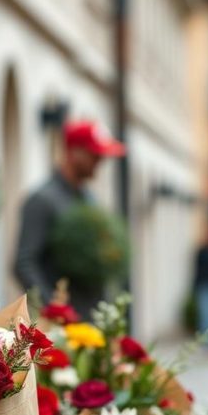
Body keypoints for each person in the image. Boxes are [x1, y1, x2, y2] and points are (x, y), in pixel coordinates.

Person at [13, 119, 125, 317]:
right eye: (95, 155)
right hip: (61, 332)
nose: (101, 161)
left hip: (92, 322)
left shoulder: (89, 199)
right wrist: (55, 312)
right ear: (74, 153)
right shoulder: (42, 200)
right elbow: (24, 264)